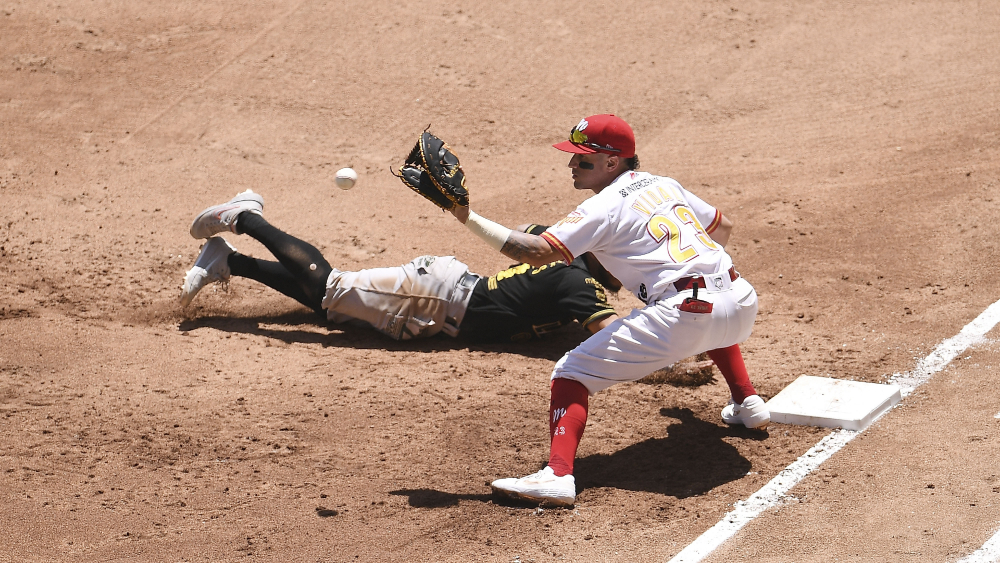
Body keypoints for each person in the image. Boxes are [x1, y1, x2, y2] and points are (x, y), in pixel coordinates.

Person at [445, 114, 769, 507]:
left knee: (571, 372)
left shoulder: (603, 206)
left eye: (582, 160)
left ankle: (557, 476)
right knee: (711, 318)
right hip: (742, 299)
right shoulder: (664, 184)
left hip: (688, 311)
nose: (571, 166)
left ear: (612, 163)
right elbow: (724, 228)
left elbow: (532, 252)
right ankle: (748, 402)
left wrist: (466, 216)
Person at [179, 191, 622, 343]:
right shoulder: (577, 282)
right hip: (433, 297)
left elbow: (533, 229)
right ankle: (244, 216)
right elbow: (617, 339)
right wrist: (674, 362)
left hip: (441, 298)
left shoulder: (565, 256)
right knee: (331, 287)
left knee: (331, 308)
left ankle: (231, 260)